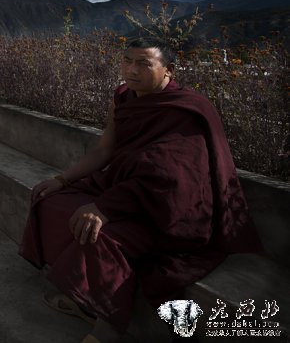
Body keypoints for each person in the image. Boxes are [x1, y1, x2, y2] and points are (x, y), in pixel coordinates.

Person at [19, 37, 262, 343]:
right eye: (126, 61)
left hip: (170, 209)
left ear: (168, 70)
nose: (131, 70)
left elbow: (173, 176)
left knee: (99, 236)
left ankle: (104, 329)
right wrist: (63, 179)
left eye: (143, 63)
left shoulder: (187, 109)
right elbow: (104, 150)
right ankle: (83, 296)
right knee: (49, 200)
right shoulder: (124, 97)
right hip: (128, 189)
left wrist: (105, 209)